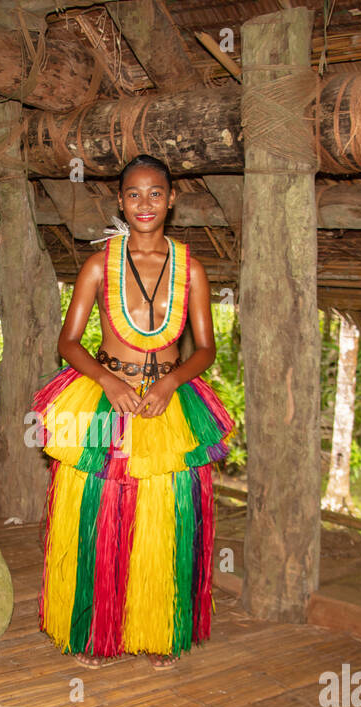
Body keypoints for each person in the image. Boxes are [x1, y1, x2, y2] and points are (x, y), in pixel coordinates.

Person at [31, 155, 233, 671]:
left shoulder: (192, 270)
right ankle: (94, 630)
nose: (145, 203)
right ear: (120, 201)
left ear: (172, 200)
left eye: (155, 193)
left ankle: (158, 629)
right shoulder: (100, 265)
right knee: (97, 513)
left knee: (165, 516)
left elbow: (205, 348)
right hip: (104, 395)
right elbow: (68, 341)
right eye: (134, 194)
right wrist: (106, 379)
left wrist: (170, 381)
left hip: (169, 399)